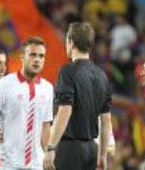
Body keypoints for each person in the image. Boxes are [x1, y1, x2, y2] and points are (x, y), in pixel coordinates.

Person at [0, 37, 53, 170]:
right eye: (33, 55)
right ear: (22, 57)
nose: (37, 59)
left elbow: (46, 126)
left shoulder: (48, 88)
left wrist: (48, 153)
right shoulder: (3, 85)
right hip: (7, 164)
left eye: (41, 56)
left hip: (36, 164)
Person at [43, 22, 112, 170]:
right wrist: (102, 155)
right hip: (92, 149)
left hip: (70, 150)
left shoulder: (67, 71)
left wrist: (51, 148)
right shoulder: (102, 76)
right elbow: (106, 121)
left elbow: (65, 111)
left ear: (71, 42)